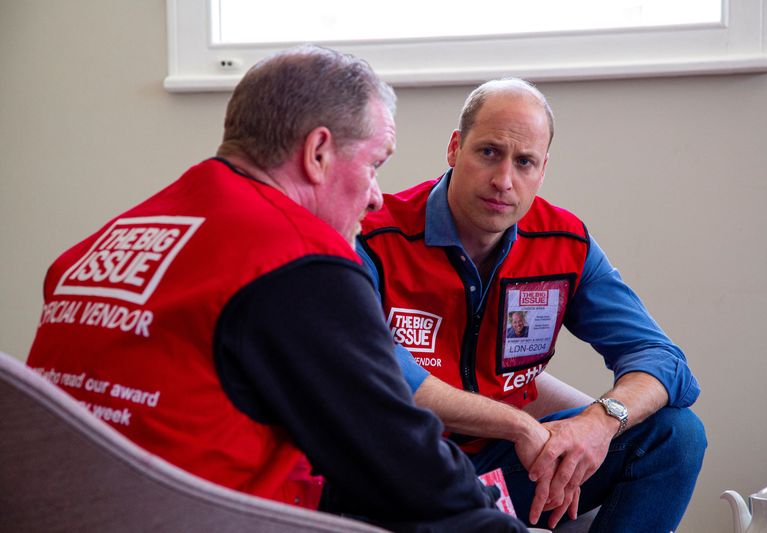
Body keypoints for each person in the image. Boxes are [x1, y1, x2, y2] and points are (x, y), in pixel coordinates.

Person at [25, 46, 528, 532]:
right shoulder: (298, 261)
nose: (376, 197)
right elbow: (402, 466)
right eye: (375, 165)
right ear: (318, 152)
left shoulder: (108, 241)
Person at [358, 78, 707, 532]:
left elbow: (663, 361)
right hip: (400, 471)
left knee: (676, 435)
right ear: (454, 149)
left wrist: (598, 424)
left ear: (543, 170)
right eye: (488, 153)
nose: (504, 180)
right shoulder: (375, 236)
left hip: (508, 468)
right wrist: (521, 426)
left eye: (524, 162)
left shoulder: (564, 243)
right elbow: (382, 375)